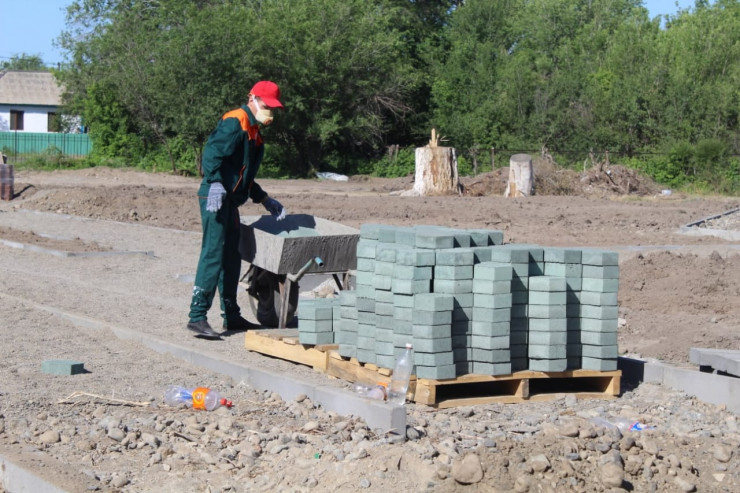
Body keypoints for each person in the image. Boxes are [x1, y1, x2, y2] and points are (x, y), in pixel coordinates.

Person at [186, 80, 287, 339]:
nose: (270, 110)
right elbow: (211, 154)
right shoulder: (237, 121)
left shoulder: (255, 133)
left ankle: (231, 316)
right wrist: (216, 183)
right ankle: (197, 317)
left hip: (229, 199)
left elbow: (243, 175)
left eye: (273, 106)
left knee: (231, 256)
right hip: (214, 196)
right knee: (213, 253)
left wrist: (264, 198)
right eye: (266, 104)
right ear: (252, 98)